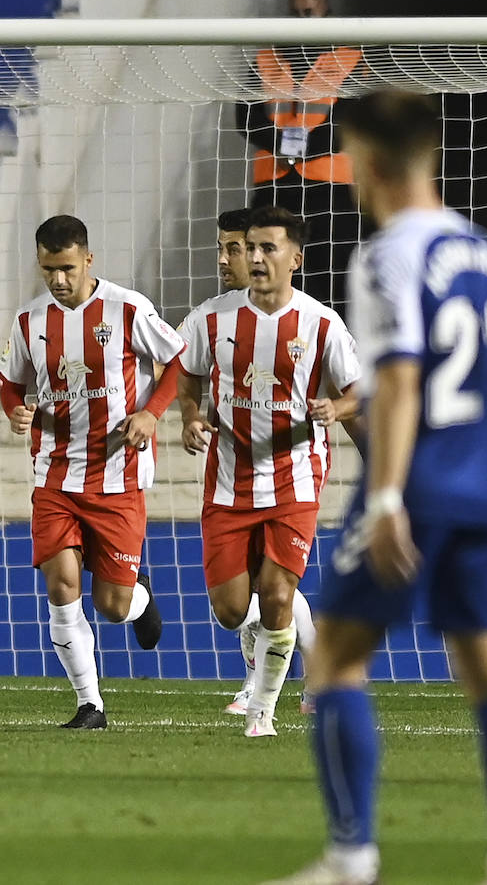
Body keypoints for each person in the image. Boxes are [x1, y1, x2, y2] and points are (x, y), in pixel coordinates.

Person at [266, 90, 487, 885]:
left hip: (414, 490)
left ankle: (351, 857)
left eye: (348, 158)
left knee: (337, 665)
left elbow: (404, 378)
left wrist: (387, 498)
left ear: (373, 163)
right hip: (486, 492)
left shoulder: (388, 253)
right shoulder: (486, 254)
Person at [177, 204, 361, 737]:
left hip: (295, 476)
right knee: (234, 610)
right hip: (229, 479)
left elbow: (356, 393)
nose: (254, 258)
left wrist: (335, 410)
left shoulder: (321, 322)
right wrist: (191, 416)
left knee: (278, 593)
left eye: (266, 249)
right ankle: (287, 663)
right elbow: (185, 376)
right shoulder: (211, 318)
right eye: (248, 247)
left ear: (295, 259)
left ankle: (262, 712)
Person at [0, 215, 185, 728]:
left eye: (67, 268)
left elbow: (177, 361)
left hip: (118, 475)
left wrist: (150, 413)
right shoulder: (30, 321)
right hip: (55, 474)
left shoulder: (127, 308)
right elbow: (11, 382)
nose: (58, 279)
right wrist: (14, 407)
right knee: (61, 585)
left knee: (112, 605)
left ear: (88, 260)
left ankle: (139, 597)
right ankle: (89, 704)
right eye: (48, 269)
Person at [235, 0, 363, 315]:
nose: (303, 17)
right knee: (276, 279)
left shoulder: (351, 59)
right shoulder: (266, 60)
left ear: (328, 14)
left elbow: (350, 120)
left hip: (329, 190)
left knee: (332, 278)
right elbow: (244, 116)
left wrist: (305, 148)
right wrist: (282, 145)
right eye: (296, 11)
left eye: (310, 10)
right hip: (274, 187)